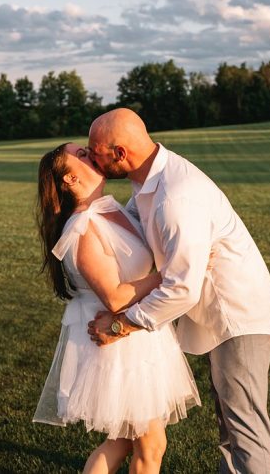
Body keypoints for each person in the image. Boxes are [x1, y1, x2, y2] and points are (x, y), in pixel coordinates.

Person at [87, 109, 270, 474]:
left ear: (119, 154)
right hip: (217, 313)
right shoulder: (150, 178)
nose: (91, 158)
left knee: (244, 425)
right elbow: (135, 228)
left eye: (94, 151)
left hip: (236, 314)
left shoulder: (176, 197)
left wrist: (121, 326)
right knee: (230, 420)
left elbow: (182, 288)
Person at [33, 141, 201, 474]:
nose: (91, 154)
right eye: (81, 155)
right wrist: (173, 274)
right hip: (115, 343)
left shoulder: (110, 208)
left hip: (135, 334)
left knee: (123, 442)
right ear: (67, 180)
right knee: (150, 445)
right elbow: (114, 296)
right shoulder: (82, 228)